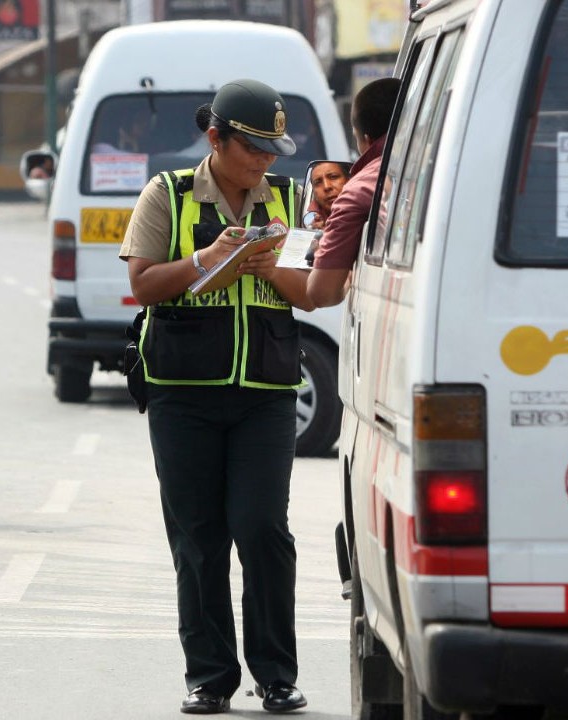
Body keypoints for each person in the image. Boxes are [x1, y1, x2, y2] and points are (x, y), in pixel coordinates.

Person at [119, 78, 315, 715]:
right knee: (198, 537)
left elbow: (313, 289)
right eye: (253, 147)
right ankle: (209, 676)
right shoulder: (167, 194)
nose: (265, 161)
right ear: (215, 138)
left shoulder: (289, 198)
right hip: (183, 394)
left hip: (266, 393)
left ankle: (276, 675)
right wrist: (205, 261)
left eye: (273, 149)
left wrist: (272, 269)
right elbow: (144, 284)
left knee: (262, 529)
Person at [308, 77, 403, 307]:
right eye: (319, 181)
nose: (329, 187)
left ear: (365, 139)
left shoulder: (359, 188)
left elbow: (321, 294)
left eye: (333, 177)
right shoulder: (444, 162)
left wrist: (348, 267)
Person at [306, 160, 349, 229]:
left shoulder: (368, 214)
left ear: (349, 180)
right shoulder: (311, 223)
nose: (326, 187)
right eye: (318, 182)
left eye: (333, 177)